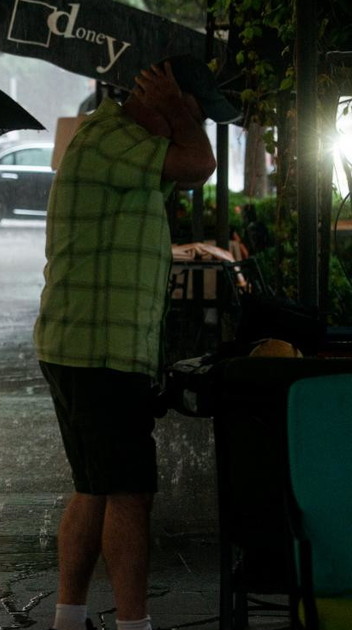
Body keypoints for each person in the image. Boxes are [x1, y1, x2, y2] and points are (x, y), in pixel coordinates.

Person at [34, 55, 239, 630]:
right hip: (100, 349)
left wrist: (177, 110)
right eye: (190, 113)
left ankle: (69, 619)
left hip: (83, 343)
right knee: (129, 494)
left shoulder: (112, 141)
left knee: (95, 487)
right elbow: (201, 164)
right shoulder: (112, 137)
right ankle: (133, 624)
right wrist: (177, 107)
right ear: (164, 101)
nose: (187, 125)